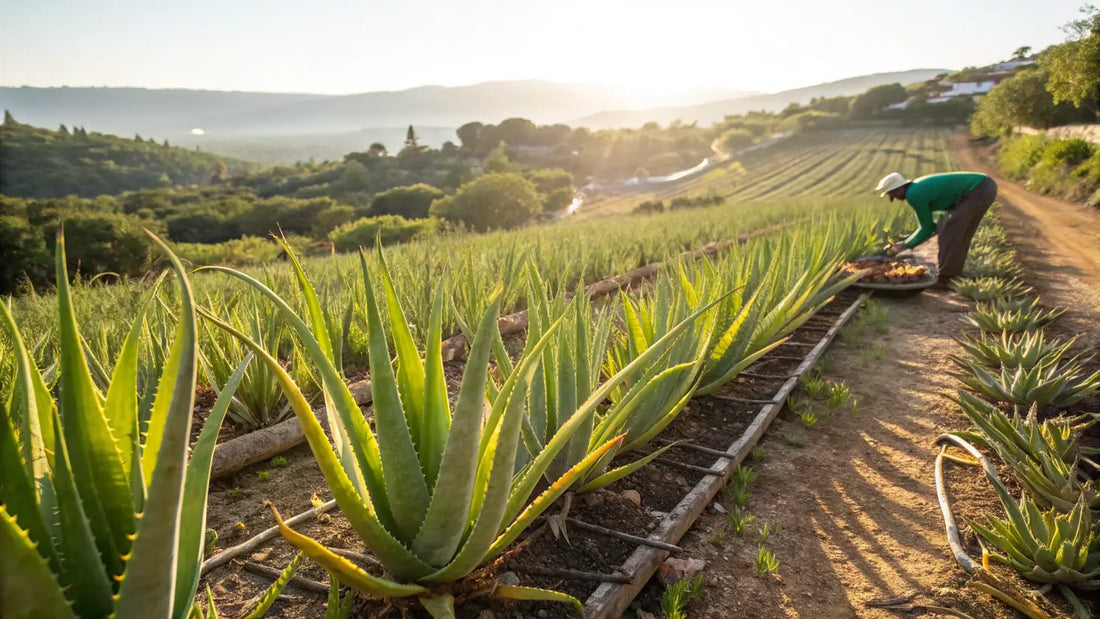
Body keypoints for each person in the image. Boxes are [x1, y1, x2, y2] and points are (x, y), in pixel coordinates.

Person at [875, 171, 997, 287]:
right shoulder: (916, 188)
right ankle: (953, 275)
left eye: (893, 194)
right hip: (984, 186)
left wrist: (905, 245)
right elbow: (931, 227)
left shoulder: (913, 194)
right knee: (960, 234)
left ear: (900, 188)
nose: (894, 198)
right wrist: (907, 243)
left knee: (950, 235)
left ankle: (945, 279)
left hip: (977, 189)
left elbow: (926, 228)